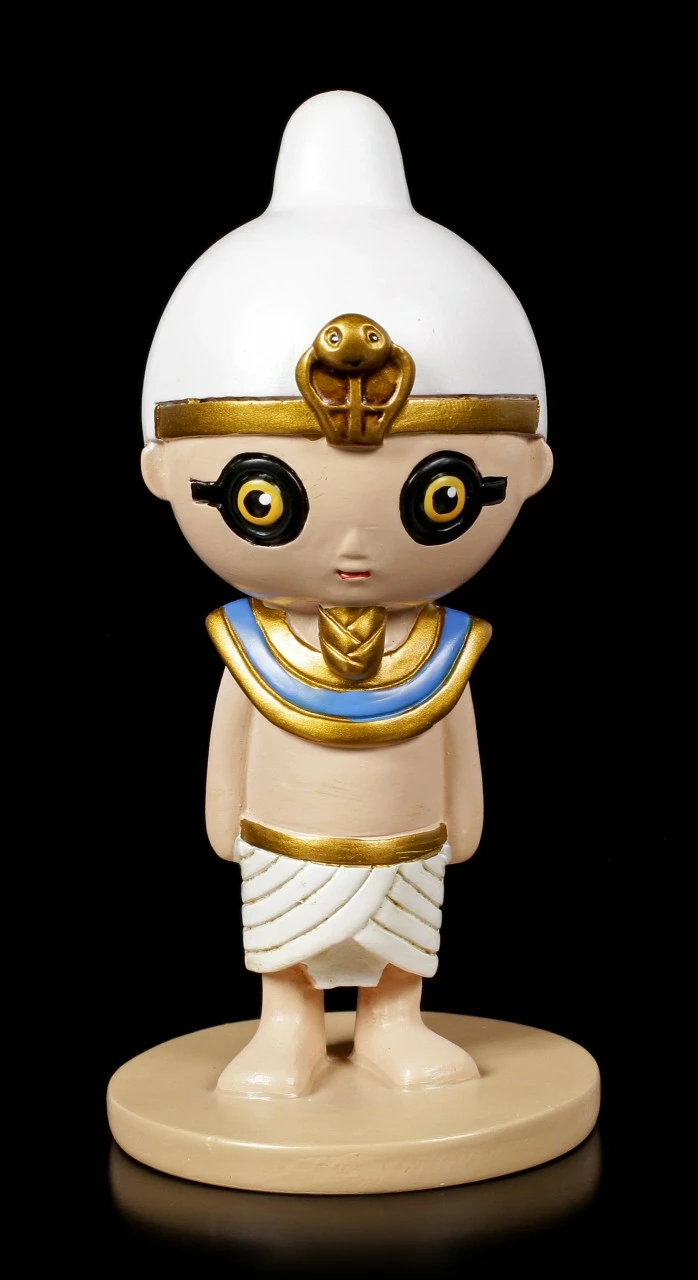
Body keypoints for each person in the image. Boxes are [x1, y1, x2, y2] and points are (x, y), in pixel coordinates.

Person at [140, 92, 552, 1097]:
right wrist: (223, 813)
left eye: (441, 495)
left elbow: (453, 733)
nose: (357, 548)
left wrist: (463, 813)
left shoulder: (440, 645)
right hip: (280, 842)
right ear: (161, 473)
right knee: (284, 930)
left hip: (406, 842)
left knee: (403, 930)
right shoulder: (255, 642)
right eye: (262, 498)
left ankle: (392, 1021)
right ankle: (285, 1022)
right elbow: (233, 729)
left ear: (531, 471)